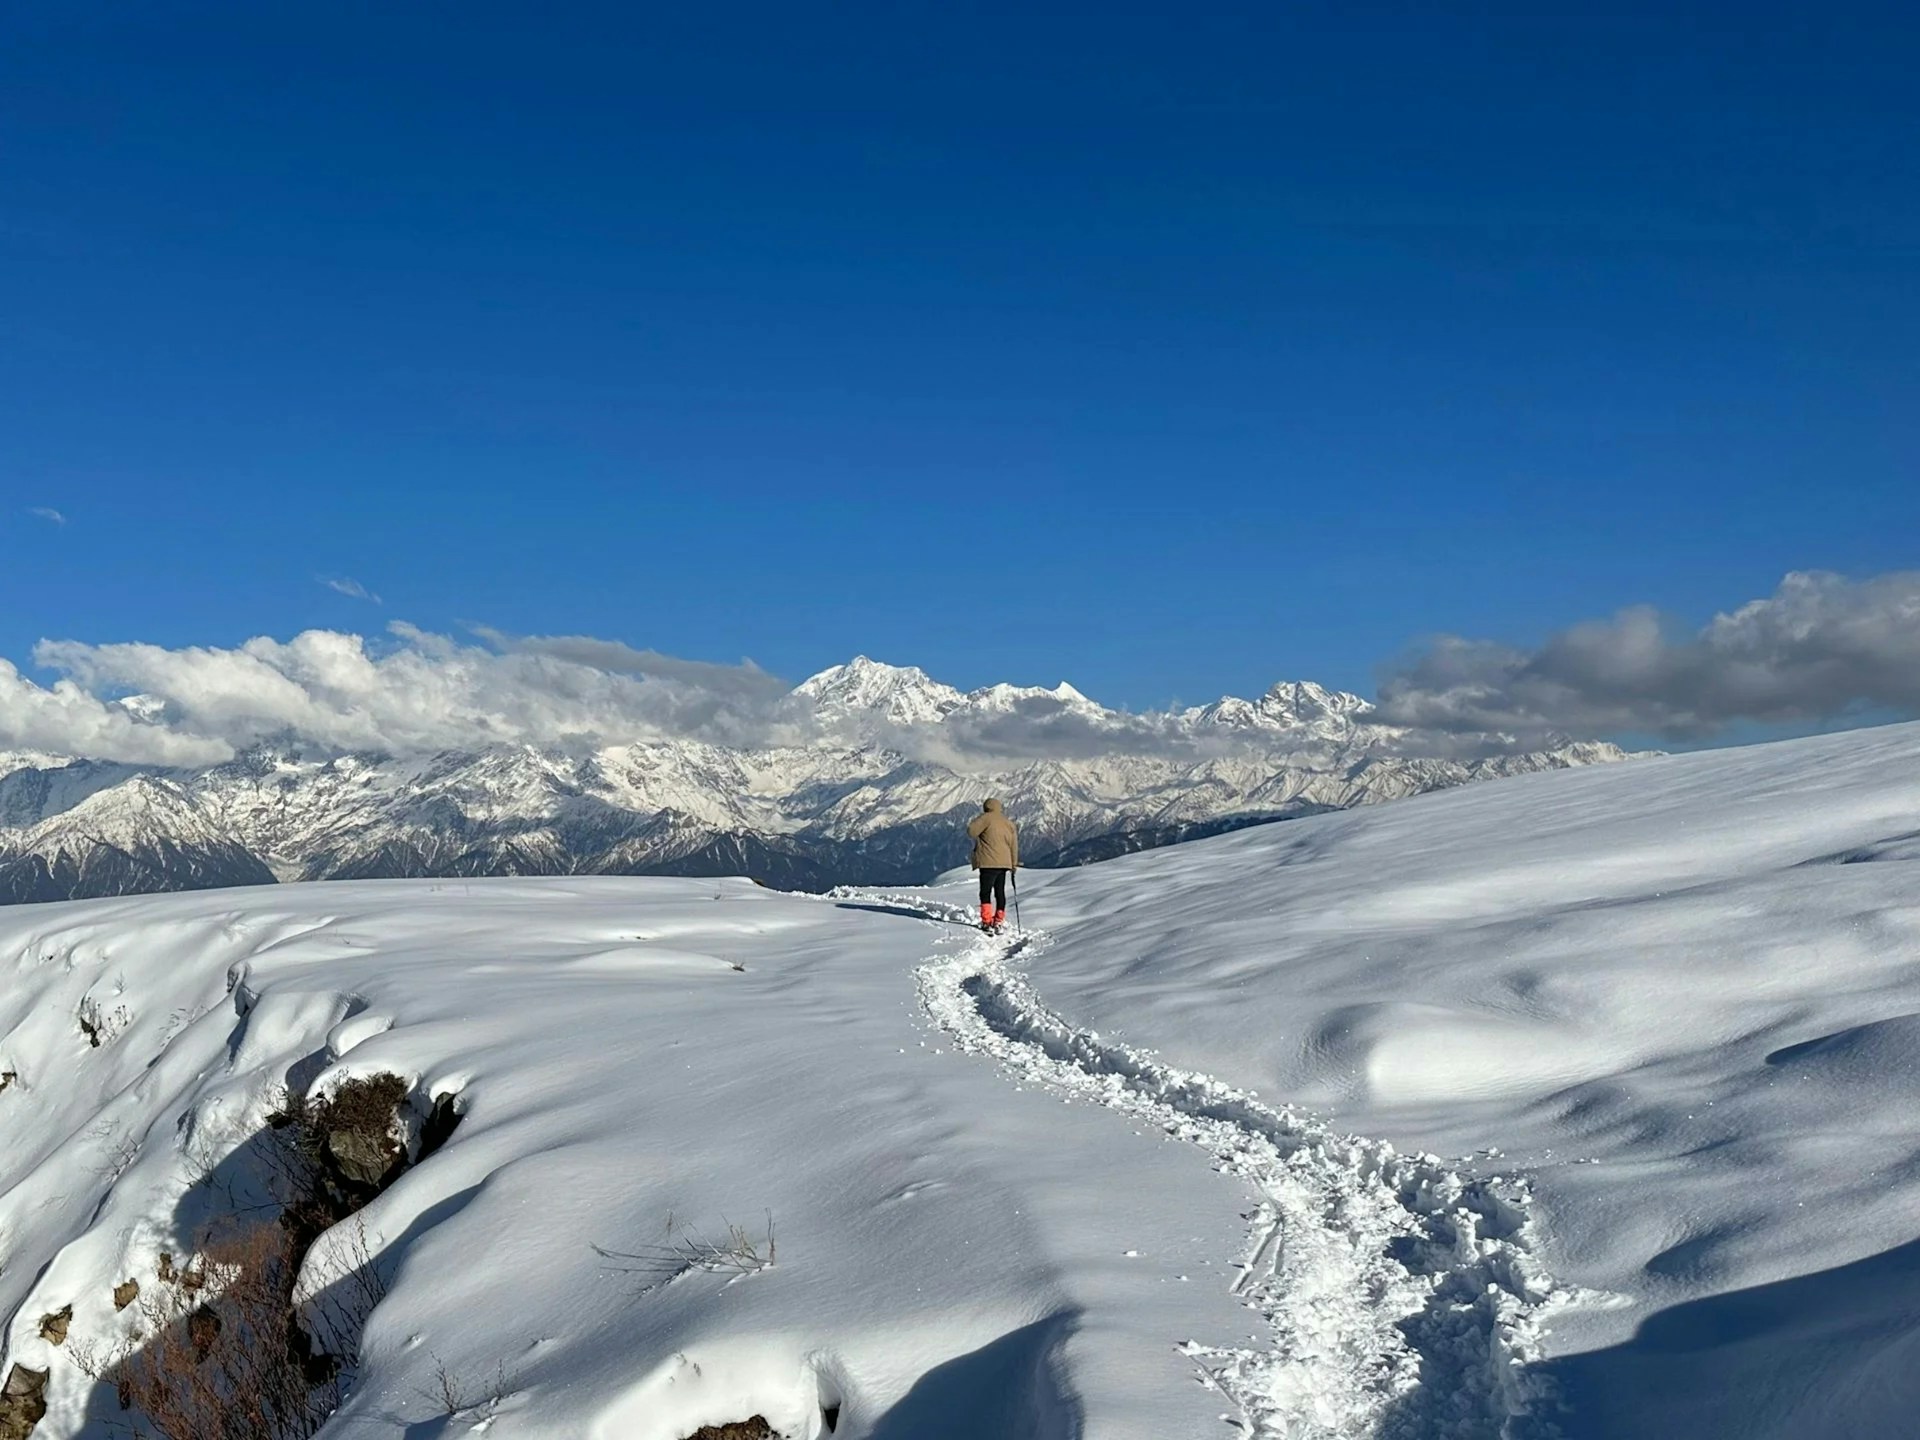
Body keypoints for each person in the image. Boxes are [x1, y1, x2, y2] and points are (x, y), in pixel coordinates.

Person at [967, 797, 1019, 931]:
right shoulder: (1008, 823)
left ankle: (986, 921)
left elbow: (971, 831)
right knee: (999, 892)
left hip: (987, 862)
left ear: (986, 807)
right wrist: (1013, 864)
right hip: (1004, 864)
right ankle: (999, 921)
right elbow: (1014, 846)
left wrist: (979, 818)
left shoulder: (985, 819)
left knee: (985, 892)